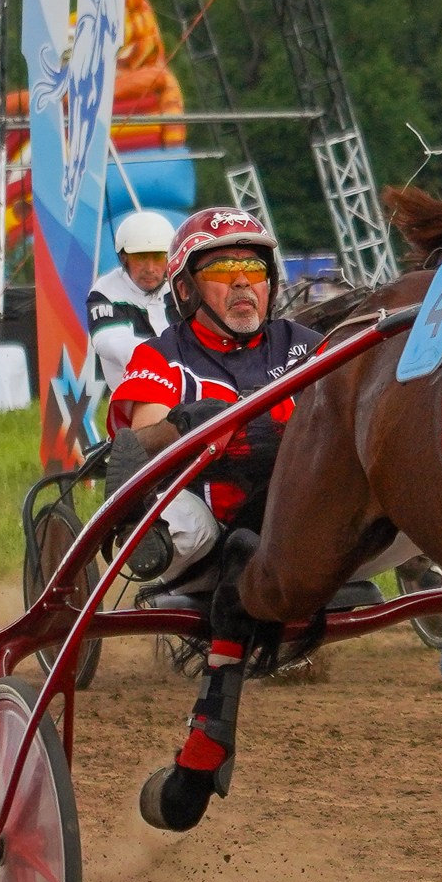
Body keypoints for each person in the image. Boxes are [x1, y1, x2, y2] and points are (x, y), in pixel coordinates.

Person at [104, 208, 321, 835]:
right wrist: (188, 422)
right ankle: (150, 543)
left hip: (290, 521)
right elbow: (145, 434)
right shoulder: (162, 355)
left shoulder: (304, 346)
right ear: (187, 289)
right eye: (225, 270)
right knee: (200, 533)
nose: (245, 283)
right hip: (205, 522)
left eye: (255, 269)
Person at [86, 209, 176, 400]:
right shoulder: (105, 291)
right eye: (141, 257)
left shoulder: (181, 288)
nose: (150, 268)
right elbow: (111, 343)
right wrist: (174, 358)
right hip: (134, 399)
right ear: (123, 257)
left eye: (158, 257)